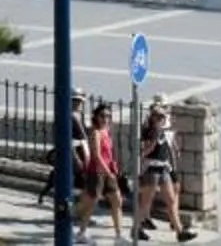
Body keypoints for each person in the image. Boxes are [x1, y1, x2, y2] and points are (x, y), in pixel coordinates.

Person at [133, 102, 193, 241]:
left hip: (164, 168)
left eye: (162, 117)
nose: (161, 119)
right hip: (152, 169)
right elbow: (144, 153)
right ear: (152, 117)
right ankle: (136, 228)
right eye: (158, 117)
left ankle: (179, 231)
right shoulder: (149, 131)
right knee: (146, 202)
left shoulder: (164, 131)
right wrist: (154, 142)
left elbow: (170, 147)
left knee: (171, 200)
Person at [71, 100, 129, 235]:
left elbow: (109, 153)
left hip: (108, 171)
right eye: (102, 115)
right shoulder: (96, 133)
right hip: (96, 172)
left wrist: (113, 167)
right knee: (92, 203)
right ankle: (81, 232)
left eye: (108, 116)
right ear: (96, 117)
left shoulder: (107, 132)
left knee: (117, 201)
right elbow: (96, 156)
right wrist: (109, 173)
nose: (106, 119)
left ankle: (119, 235)